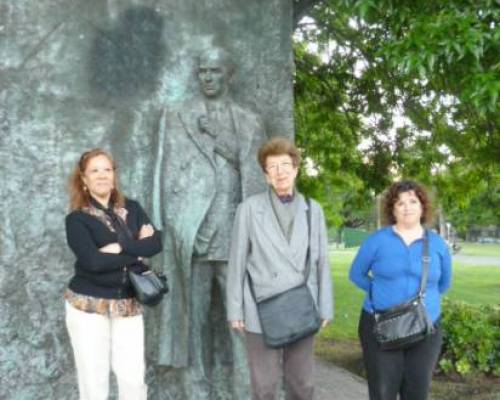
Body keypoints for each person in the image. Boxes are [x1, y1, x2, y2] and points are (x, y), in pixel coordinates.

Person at [152, 46, 266, 398]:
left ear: (228, 74)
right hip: (193, 234)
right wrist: (163, 222)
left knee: (242, 323)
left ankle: (246, 391)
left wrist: (219, 136)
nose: (208, 78)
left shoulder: (248, 121)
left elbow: (256, 177)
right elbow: (163, 168)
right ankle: (196, 392)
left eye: (215, 71)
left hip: (235, 236)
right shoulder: (177, 115)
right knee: (193, 324)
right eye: (203, 71)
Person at [226, 137, 333, 400]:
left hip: (302, 305)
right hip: (260, 306)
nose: (280, 172)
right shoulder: (249, 209)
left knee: (302, 384)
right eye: (272, 167)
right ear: (265, 176)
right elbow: (237, 261)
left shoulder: (313, 210)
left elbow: (321, 261)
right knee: (263, 387)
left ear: (296, 169)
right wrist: (235, 309)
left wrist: (325, 305)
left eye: (285, 164)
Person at [64, 149, 162, 400]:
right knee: (93, 383)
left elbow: (156, 244)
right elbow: (93, 262)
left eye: (107, 170)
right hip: (87, 307)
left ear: (114, 175)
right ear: (84, 180)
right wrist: (137, 250)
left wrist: (120, 247)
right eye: (94, 171)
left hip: (128, 302)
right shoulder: (76, 220)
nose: (102, 176)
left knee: (133, 380)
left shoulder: (133, 208)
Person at [349, 180, 452, 400]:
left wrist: (421, 302)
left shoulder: (437, 244)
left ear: (422, 207)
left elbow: (444, 283)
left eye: (413, 201)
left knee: (417, 392)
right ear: (392, 209)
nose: (407, 207)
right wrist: (378, 291)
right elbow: (356, 274)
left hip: (425, 327)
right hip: (380, 325)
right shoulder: (376, 241)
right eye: (400, 203)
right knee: (382, 391)